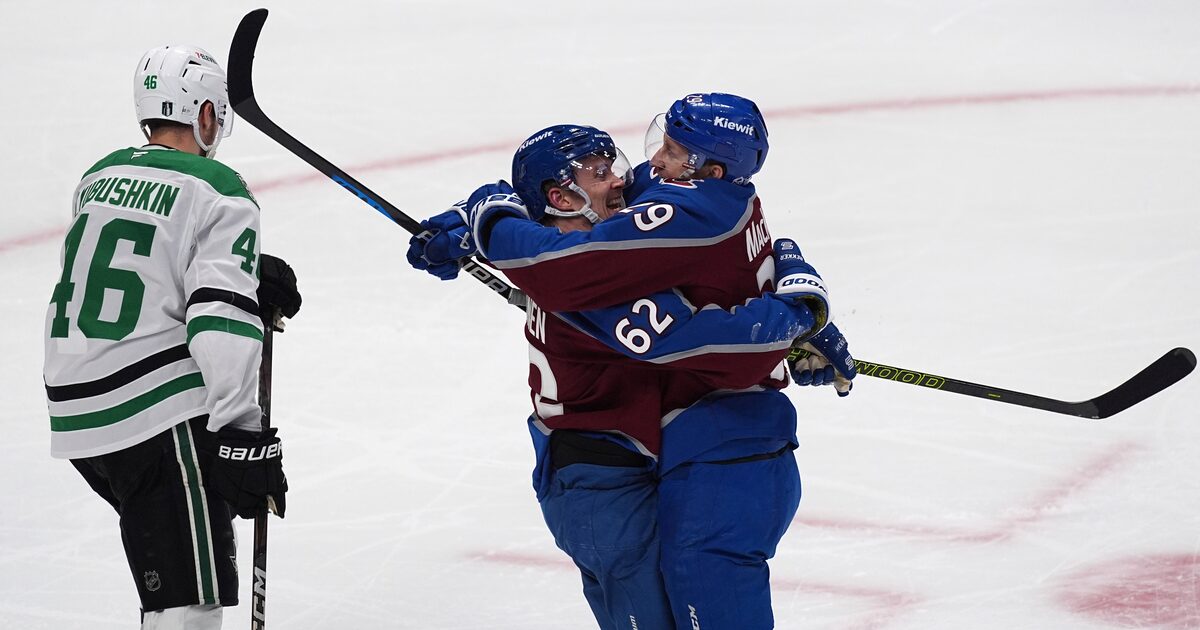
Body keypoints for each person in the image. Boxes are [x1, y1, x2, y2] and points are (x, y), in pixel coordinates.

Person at [410, 96, 855, 628]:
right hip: (595, 467)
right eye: (602, 173)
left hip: (674, 444)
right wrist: (798, 316)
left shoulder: (622, 238)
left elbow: (551, 234)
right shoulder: (589, 277)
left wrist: (478, 215)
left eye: (666, 152)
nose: (631, 176)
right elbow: (710, 341)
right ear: (561, 198)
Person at [43, 45, 300, 630]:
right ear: (206, 114)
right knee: (189, 603)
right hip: (153, 413)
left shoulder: (98, 176)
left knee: (171, 584)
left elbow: (140, 263)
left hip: (79, 413)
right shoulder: (218, 186)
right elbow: (218, 316)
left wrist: (244, 274)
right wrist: (241, 430)